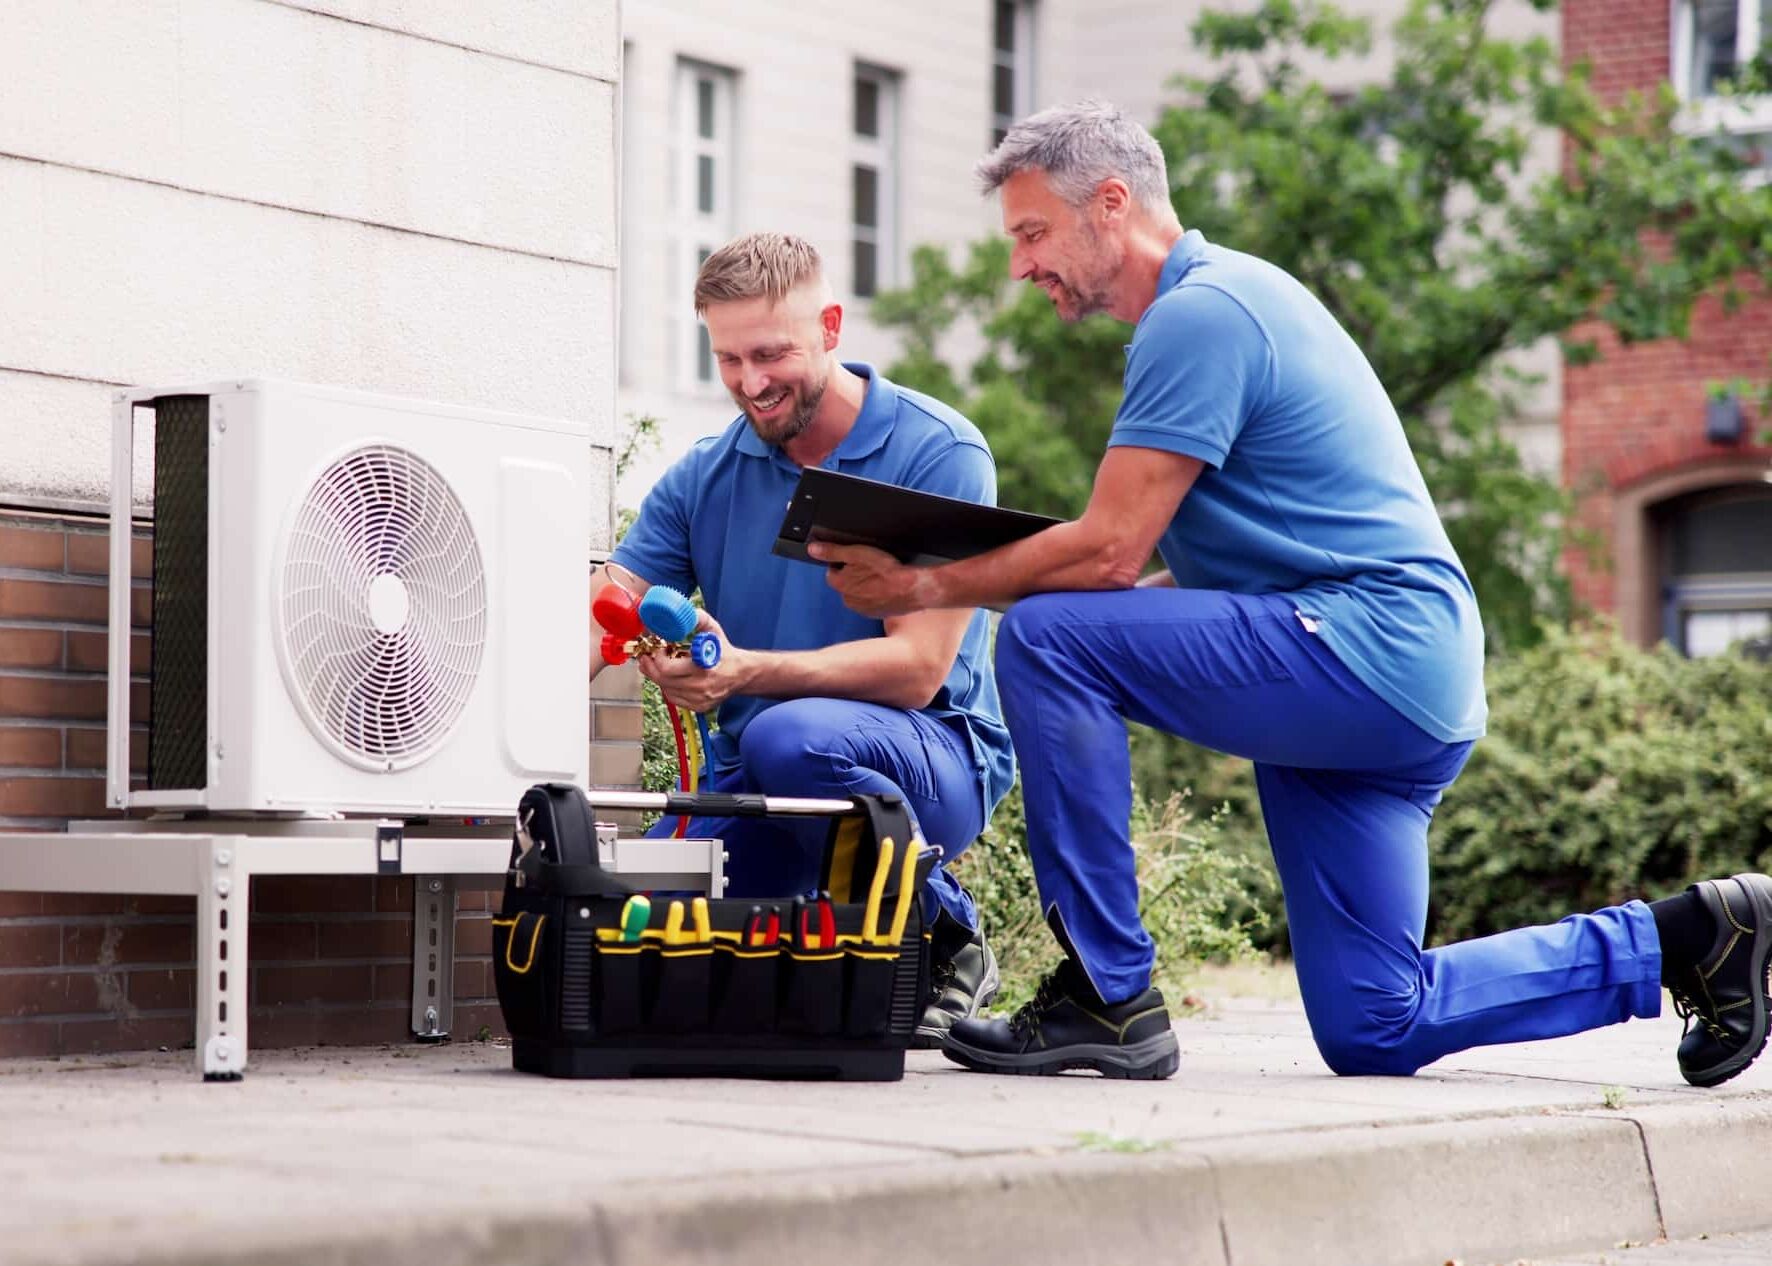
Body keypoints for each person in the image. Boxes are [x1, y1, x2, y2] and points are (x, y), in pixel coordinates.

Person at [817, 101, 1772, 1083]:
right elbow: (1182, 571)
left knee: (1049, 637)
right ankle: (1692, 935)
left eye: (1031, 233)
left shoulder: (1200, 314)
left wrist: (923, 583)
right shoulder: (1227, 303)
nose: (1020, 265)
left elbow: (1104, 555)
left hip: (1364, 649)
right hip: (1391, 678)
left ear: (1110, 203)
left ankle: (1105, 993)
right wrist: (1076, 606)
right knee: (1375, 1021)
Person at [598, 231, 1015, 1046]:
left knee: (790, 735)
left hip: (927, 761)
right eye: (728, 359)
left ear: (830, 327)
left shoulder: (936, 453)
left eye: (770, 354)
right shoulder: (706, 475)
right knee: (627, 929)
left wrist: (742, 672)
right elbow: (603, 609)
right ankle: (838, 933)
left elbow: (918, 670)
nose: (750, 383)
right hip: (758, 778)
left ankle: (944, 929)